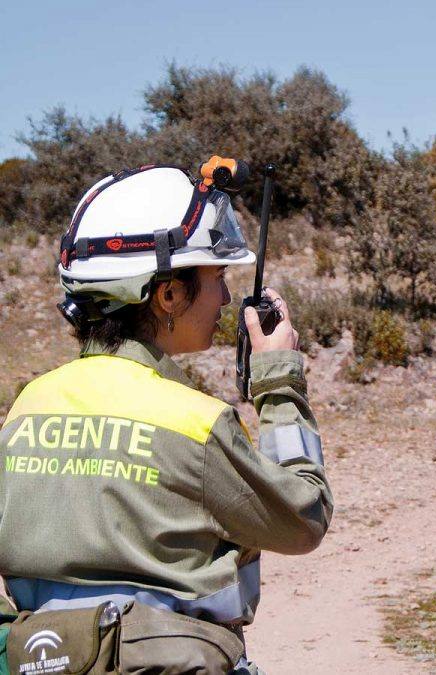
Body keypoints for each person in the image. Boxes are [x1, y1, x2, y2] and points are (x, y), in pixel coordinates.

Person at [0, 160, 332, 671]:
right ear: (169, 294)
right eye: (218, 276)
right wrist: (278, 382)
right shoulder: (196, 423)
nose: (225, 297)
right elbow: (303, 519)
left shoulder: (27, 407)